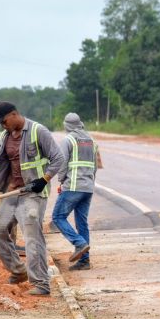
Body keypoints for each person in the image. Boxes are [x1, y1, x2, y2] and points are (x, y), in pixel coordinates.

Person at [0, 101, 63, 296]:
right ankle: (18, 270)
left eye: (4, 121)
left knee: (32, 238)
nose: (3, 126)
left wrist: (44, 179)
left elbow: (58, 158)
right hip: (12, 193)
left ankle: (41, 283)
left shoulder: (38, 131)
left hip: (33, 194)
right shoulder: (6, 136)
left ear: (14, 114)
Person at [52, 112, 102, 271]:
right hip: (88, 188)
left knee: (58, 217)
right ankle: (84, 261)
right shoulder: (92, 140)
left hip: (73, 186)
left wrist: (61, 180)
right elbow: (95, 166)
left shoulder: (68, 140)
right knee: (82, 223)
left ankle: (79, 244)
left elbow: (62, 163)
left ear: (66, 126)